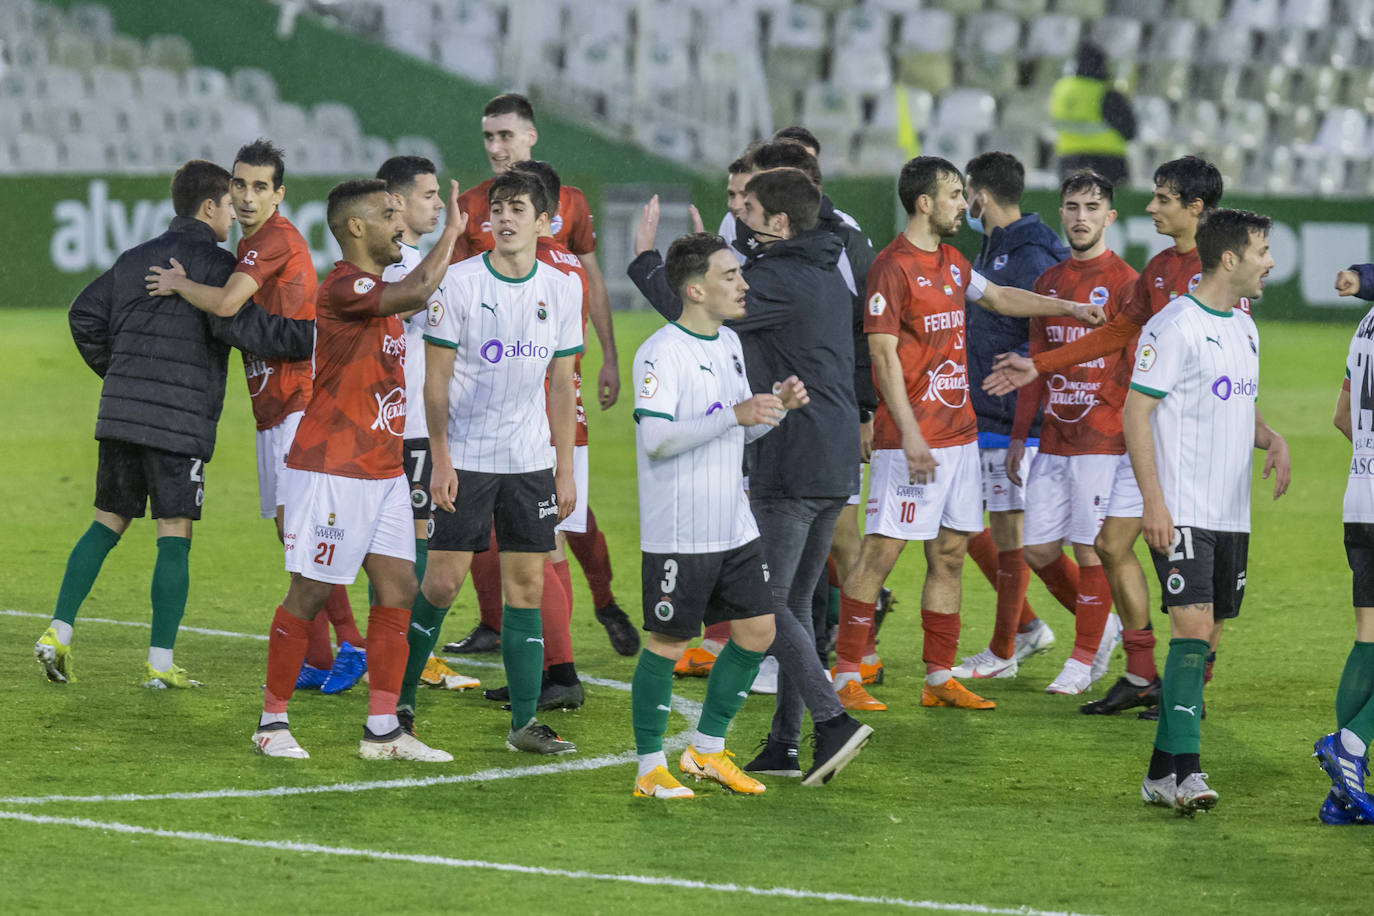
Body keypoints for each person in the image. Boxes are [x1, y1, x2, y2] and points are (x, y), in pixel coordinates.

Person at [983, 157, 1292, 718]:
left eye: (1163, 198)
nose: (1152, 206)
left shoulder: (1224, 275)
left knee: (1194, 584)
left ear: (1195, 209)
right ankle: (1144, 672)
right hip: (1148, 442)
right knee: (1111, 547)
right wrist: (1042, 364)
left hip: (1192, 456)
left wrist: (1263, 432)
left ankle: (1183, 689)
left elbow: (1231, 370)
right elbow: (1119, 330)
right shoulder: (1157, 270)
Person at [833, 156, 1105, 713]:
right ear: (924, 203)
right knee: (881, 551)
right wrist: (908, 433)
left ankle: (938, 678)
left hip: (959, 437)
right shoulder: (892, 267)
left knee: (952, 553)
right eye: (955, 195)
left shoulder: (955, 263)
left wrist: (1070, 308)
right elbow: (882, 356)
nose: (965, 204)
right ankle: (845, 673)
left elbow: (1002, 298)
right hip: (912, 439)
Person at [36, 160, 314, 688]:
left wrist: (118, 373)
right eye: (230, 204)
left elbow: (83, 316)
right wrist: (310, 339)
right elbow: (247, 326)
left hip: (120, 415)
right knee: (174, 532)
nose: (235, 215)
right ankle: (160, 664)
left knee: (107, 521)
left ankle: (57, 632)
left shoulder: (134, 258)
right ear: (209, 206)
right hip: (177, 424)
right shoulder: (216, 265)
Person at [250, 177, 462, 761]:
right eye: (390, 214)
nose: (402, 225)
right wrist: (454, 233)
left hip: (383, 471)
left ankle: (383, 730)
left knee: (399, 587)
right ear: (355, 228)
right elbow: (418, 289)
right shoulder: (344, 287)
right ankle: (271, 722)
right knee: (312, 589)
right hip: (333, 470)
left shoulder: (379, 294)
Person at [147, 139, 368, 695]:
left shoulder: (272, 240)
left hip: (297, 405)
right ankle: (321, 657)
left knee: (302, 535)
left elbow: (225, 306)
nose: (245, 197)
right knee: (291, 537)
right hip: (273, 409)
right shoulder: (256, 241)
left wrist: (177, 284)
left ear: (278, 193)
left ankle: (353, 645)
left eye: (258, 187)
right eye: (238, 185)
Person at [442, 92, 634, 659]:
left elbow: (587, 280)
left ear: (530, 136)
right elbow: (454, 291)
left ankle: (580, 633)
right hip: (492, 386)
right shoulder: (476, 205)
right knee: (499, 526)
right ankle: (506, 630)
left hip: (551, 386)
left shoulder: (566, 202)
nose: (496, 147)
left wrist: (609, 354)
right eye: (488, 137)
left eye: (506, 135)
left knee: (559, 521)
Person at [629, 232, 811, 798]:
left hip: (733, 524)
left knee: (757, 631)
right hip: (680, 528)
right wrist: (735, 414)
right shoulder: (660, 352)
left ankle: (706, 750)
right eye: (729, 275)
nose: (743, 283)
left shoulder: (729, 342)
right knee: (668, 644)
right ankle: (648, 769)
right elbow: (657, 439)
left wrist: (772, 408)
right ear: (694, 289)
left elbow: (739, 427)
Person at [419, 169, 583, 755]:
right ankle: (401, 703)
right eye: (498, 209)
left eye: (518, 209)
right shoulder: (459, 284)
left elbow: (561, 385)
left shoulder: (564, 287)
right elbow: (434, 383)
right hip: (465, 456)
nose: (504, 219)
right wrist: (440, 458)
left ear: (544, 222)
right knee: (441, 583)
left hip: (530, 460)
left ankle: (524, 723)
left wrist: (564, 468)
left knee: (527, 587)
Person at [1130, 208, 1280, 814]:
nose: (1270, 260)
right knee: (1191, 630)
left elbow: (1238, 405)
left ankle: (1160, 772)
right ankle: (1189, 774)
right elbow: (1136, 413)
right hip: (1184, 508)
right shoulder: (1173, 326)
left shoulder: (1246, 328)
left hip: (1231, 513)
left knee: (1210, 637)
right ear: (1229, 259)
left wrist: (1272, 438)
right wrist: (1154, 502)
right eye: (1262, 250)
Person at [998, 170, 1138, 694]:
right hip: (1053, 438)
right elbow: (1035, 365)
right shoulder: (1049, 285)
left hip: (1101, 439)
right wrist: (1019, 435)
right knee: (1037, 550)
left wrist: (1113, 417)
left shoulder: (1126, 282)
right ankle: (1104, 624)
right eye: (1073, 207)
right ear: (1061, 212)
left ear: (1110, 216)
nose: (1081, 217)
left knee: (1089, 549)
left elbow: (1130, 363)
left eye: (1092, 207)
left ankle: (1085, 660)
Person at [955, 151, 1073, 679]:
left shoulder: (1034, 254)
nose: (962, 204)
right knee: (955, 526)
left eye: (964, 194)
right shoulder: (997, 246)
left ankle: (1019, 643)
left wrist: (1029, 373)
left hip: (1013, 419)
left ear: (980, 195)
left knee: (1011, 535)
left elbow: (1051, 331)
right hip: (983, 413)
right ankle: (1026, 629)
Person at [373, 155, 481, 720]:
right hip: (408, 424)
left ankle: (401, 649)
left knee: (406, 539)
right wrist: (457, 240)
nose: (440, 205)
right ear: (396, 202)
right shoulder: (398, 263)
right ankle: (405, 652)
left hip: (408, 421)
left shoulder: (410, 257)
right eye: (430, 195)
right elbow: (420, 296)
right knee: (410, 541)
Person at [1313, 262, 1374, 824]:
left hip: (1361, 495)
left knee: (1369, 638)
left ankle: (1342, 796)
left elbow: (1340, 416)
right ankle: (1349, 748)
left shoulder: (1366, 328)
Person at [1050, 41, 1136, 186]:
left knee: (1073, 205)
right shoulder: (1105, 93)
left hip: (1068, 160)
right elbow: (1130, 131)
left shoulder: (1060, 89)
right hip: (1106, 163)